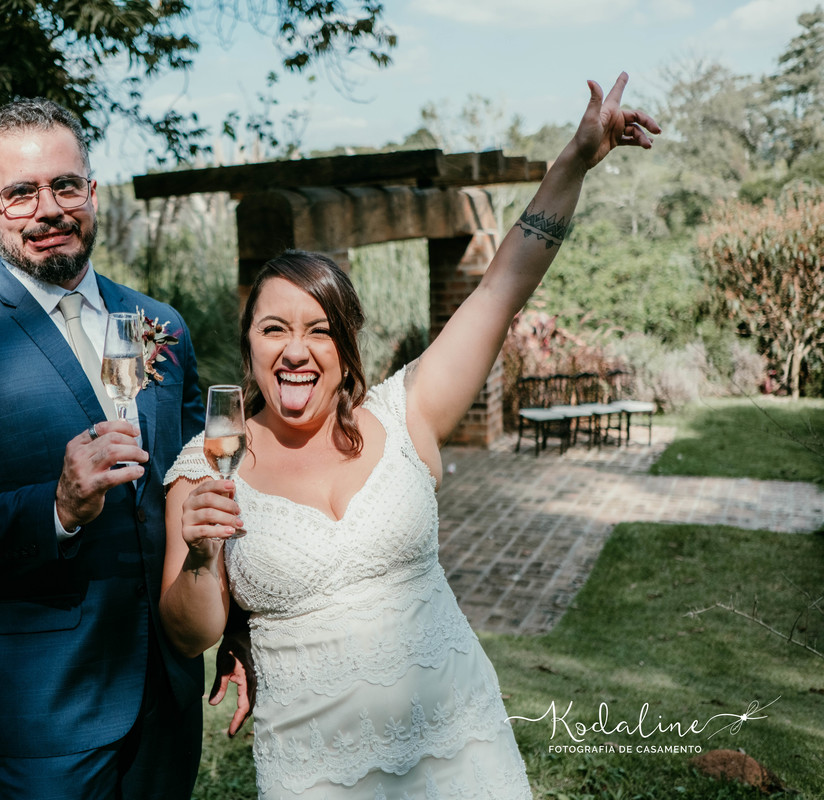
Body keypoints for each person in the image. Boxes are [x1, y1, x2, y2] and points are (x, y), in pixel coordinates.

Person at [159, 73, 660, 798]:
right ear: (250, 347)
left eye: (319, 331)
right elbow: (188, 634)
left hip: (463, 751)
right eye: (275, 329)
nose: (296, 350)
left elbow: (502, 286)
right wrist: (205, 558)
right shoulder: (207, 465)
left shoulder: (407, 412)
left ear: (346, 347)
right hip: (314, 774)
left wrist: (574, 160)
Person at [0, 98, 213, 799]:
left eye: (65, 185)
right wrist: (58, 506)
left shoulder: (159, 325)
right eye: (21, 192)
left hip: (169, 685)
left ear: (92, 192)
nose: (48, 209)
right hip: (46, 704)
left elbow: (196, 495)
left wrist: (232, 627)